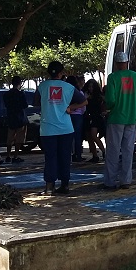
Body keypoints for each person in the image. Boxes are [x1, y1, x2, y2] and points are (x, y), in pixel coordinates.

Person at [33, 61, 87, 195]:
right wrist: (70, 108)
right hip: (66, 128)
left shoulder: (42, 86)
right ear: (62, 73)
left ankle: (49, 187)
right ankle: (65, 185)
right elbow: (84, 101)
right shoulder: (68, 87)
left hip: (47, 128)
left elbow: (35, 103)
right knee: (65, 157)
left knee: (50, 157)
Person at [102, 51, 136, 190]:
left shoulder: (113, 77)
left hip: (115, 118)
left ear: (116, 63)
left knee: (113, 150)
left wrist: (108, 107)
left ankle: (110, 181)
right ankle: (126, 181)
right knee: (128, 150)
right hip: (131, 118)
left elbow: (111, 100)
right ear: (127, 62)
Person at [3, 76, 28, 164]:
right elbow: (25, 105)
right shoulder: (21, 94)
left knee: (9, 138)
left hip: (10, 117)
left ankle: (8, 155)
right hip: (20, 118)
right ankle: (16, 156)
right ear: (20, 83)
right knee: (19, 138)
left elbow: (6, 105)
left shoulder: (7, 94)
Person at [82, 78, 106, 163]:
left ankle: (104, 152)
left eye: (92, 87)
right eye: (89, 87)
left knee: (94, 135)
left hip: (96, 117)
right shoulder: (86, 95)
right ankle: (95, 155)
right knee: (89, 137)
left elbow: (104, 102)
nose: (90, 88)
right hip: (88, 117)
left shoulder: (99, 96)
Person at [65, 76, 87, 162]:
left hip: (68, 116)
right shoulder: (79, 92)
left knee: (68, 136)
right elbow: (84, 106)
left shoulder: (66, 92)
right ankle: (78, 155)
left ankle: (69, 154)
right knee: (77, 136)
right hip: (78, 116)